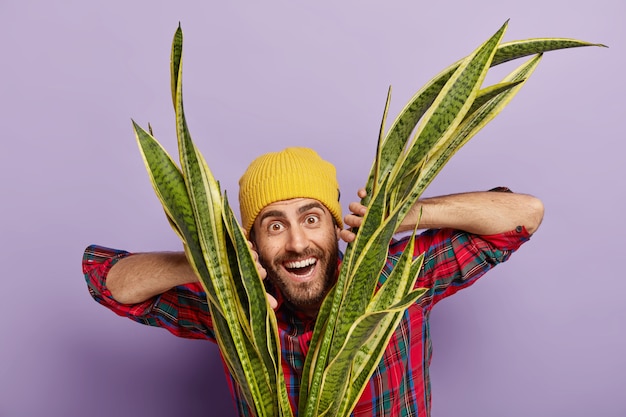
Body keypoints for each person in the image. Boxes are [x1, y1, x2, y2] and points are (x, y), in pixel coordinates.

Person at [83, 147, 543, 416]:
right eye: (275, 225)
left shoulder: (395, 277)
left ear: (335, 224)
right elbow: (109, 282)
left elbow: (524, 215)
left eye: (311, 217)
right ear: (253, 244)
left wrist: (409, 214)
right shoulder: (232, 306)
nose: (298, 242)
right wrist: (210, 261)